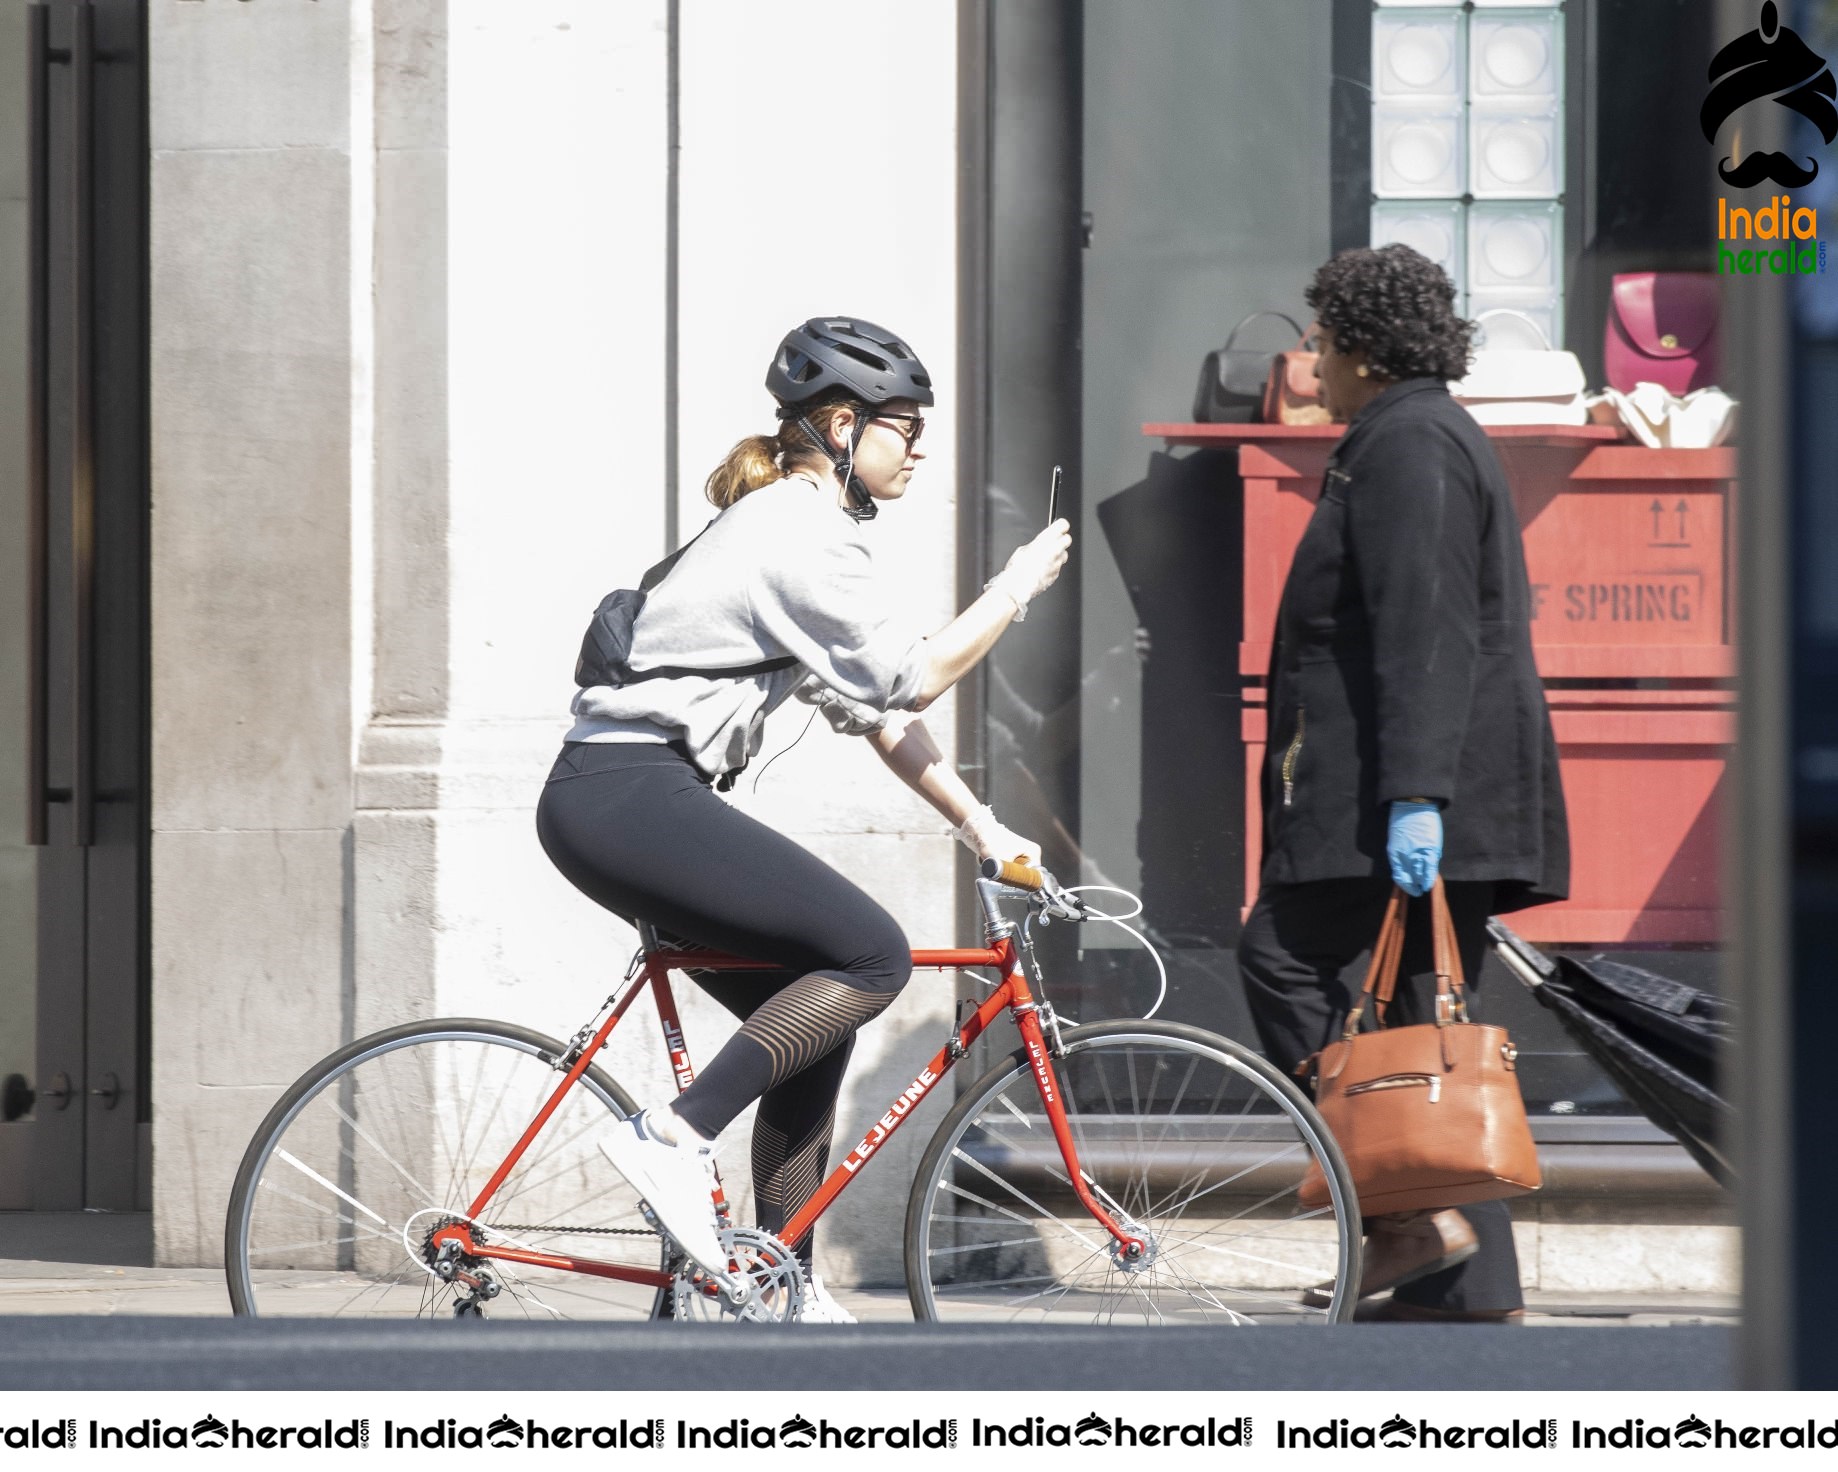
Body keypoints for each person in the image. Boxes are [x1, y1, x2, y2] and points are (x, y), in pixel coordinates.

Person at [536, 317, 1071, 1322]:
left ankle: (776, 1279)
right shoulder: (795, 530)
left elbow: (876, 716)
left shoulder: (804, 532)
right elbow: (912, 676)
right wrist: (1011, 588)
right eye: (904, 429)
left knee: (812, 1021)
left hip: (626, 796)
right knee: (872, 954)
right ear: (840, 423)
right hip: (626, 792)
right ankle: (670, 1134)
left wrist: (983, 830)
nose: (917, 449)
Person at [1236, 246, 1569, 1323]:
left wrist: (1415, 792)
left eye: (1322, 340)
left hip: (1404, 787)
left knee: (1279, 955)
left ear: (1367, 352)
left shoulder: (1409, 442)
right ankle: (1467, 1282)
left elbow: (1422, 629)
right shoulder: (1406, 433)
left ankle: (1395, 1217)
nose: (1307, 360)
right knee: (1429, 1020)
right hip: (1419, 786)